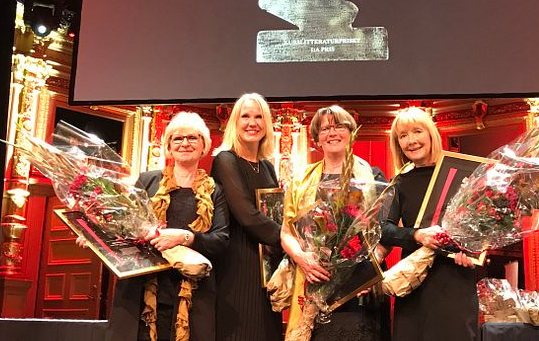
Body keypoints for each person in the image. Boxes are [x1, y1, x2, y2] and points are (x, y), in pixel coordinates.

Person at [107, 111, 230, 341]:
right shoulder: (147, 181)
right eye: (177, 138)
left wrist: (185, 237)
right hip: (145, 287)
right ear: (168, 146)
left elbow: (221, 240)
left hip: (192, 292)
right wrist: (96, 236)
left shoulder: (215, 190)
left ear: (204, 144)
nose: (185, 143)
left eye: (192, 138)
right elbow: (124, 226)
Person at [281, 105, 387, 341]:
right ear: (317, 139)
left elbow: (383, 233)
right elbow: (286, 232)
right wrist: (304, 259)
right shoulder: (301, 180)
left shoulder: (372, 176)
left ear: (351, 132)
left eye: (339, 126)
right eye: (325, 128)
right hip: (315, 281)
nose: (332, 133)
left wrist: (366, 272)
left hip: (360, 290)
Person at [380, 107, 477, 341]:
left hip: (455, 281)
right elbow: (383, 229)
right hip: (414, 285)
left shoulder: (462, 174)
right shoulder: (399, 182)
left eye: (417, 131)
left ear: (431, 134)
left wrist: (472, 253)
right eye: (403, 136)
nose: (411, 141)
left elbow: (480, 226)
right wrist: (417, 235)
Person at [210, 93, 283, 341]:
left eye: (258, 117)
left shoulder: (268, 166)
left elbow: (276, 211)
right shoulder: (225, 159)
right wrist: (288, 239)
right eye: (245, 116)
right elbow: (246, 215)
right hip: (237, 263)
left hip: (268, 266)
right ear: (234, 122)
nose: (252, 123)